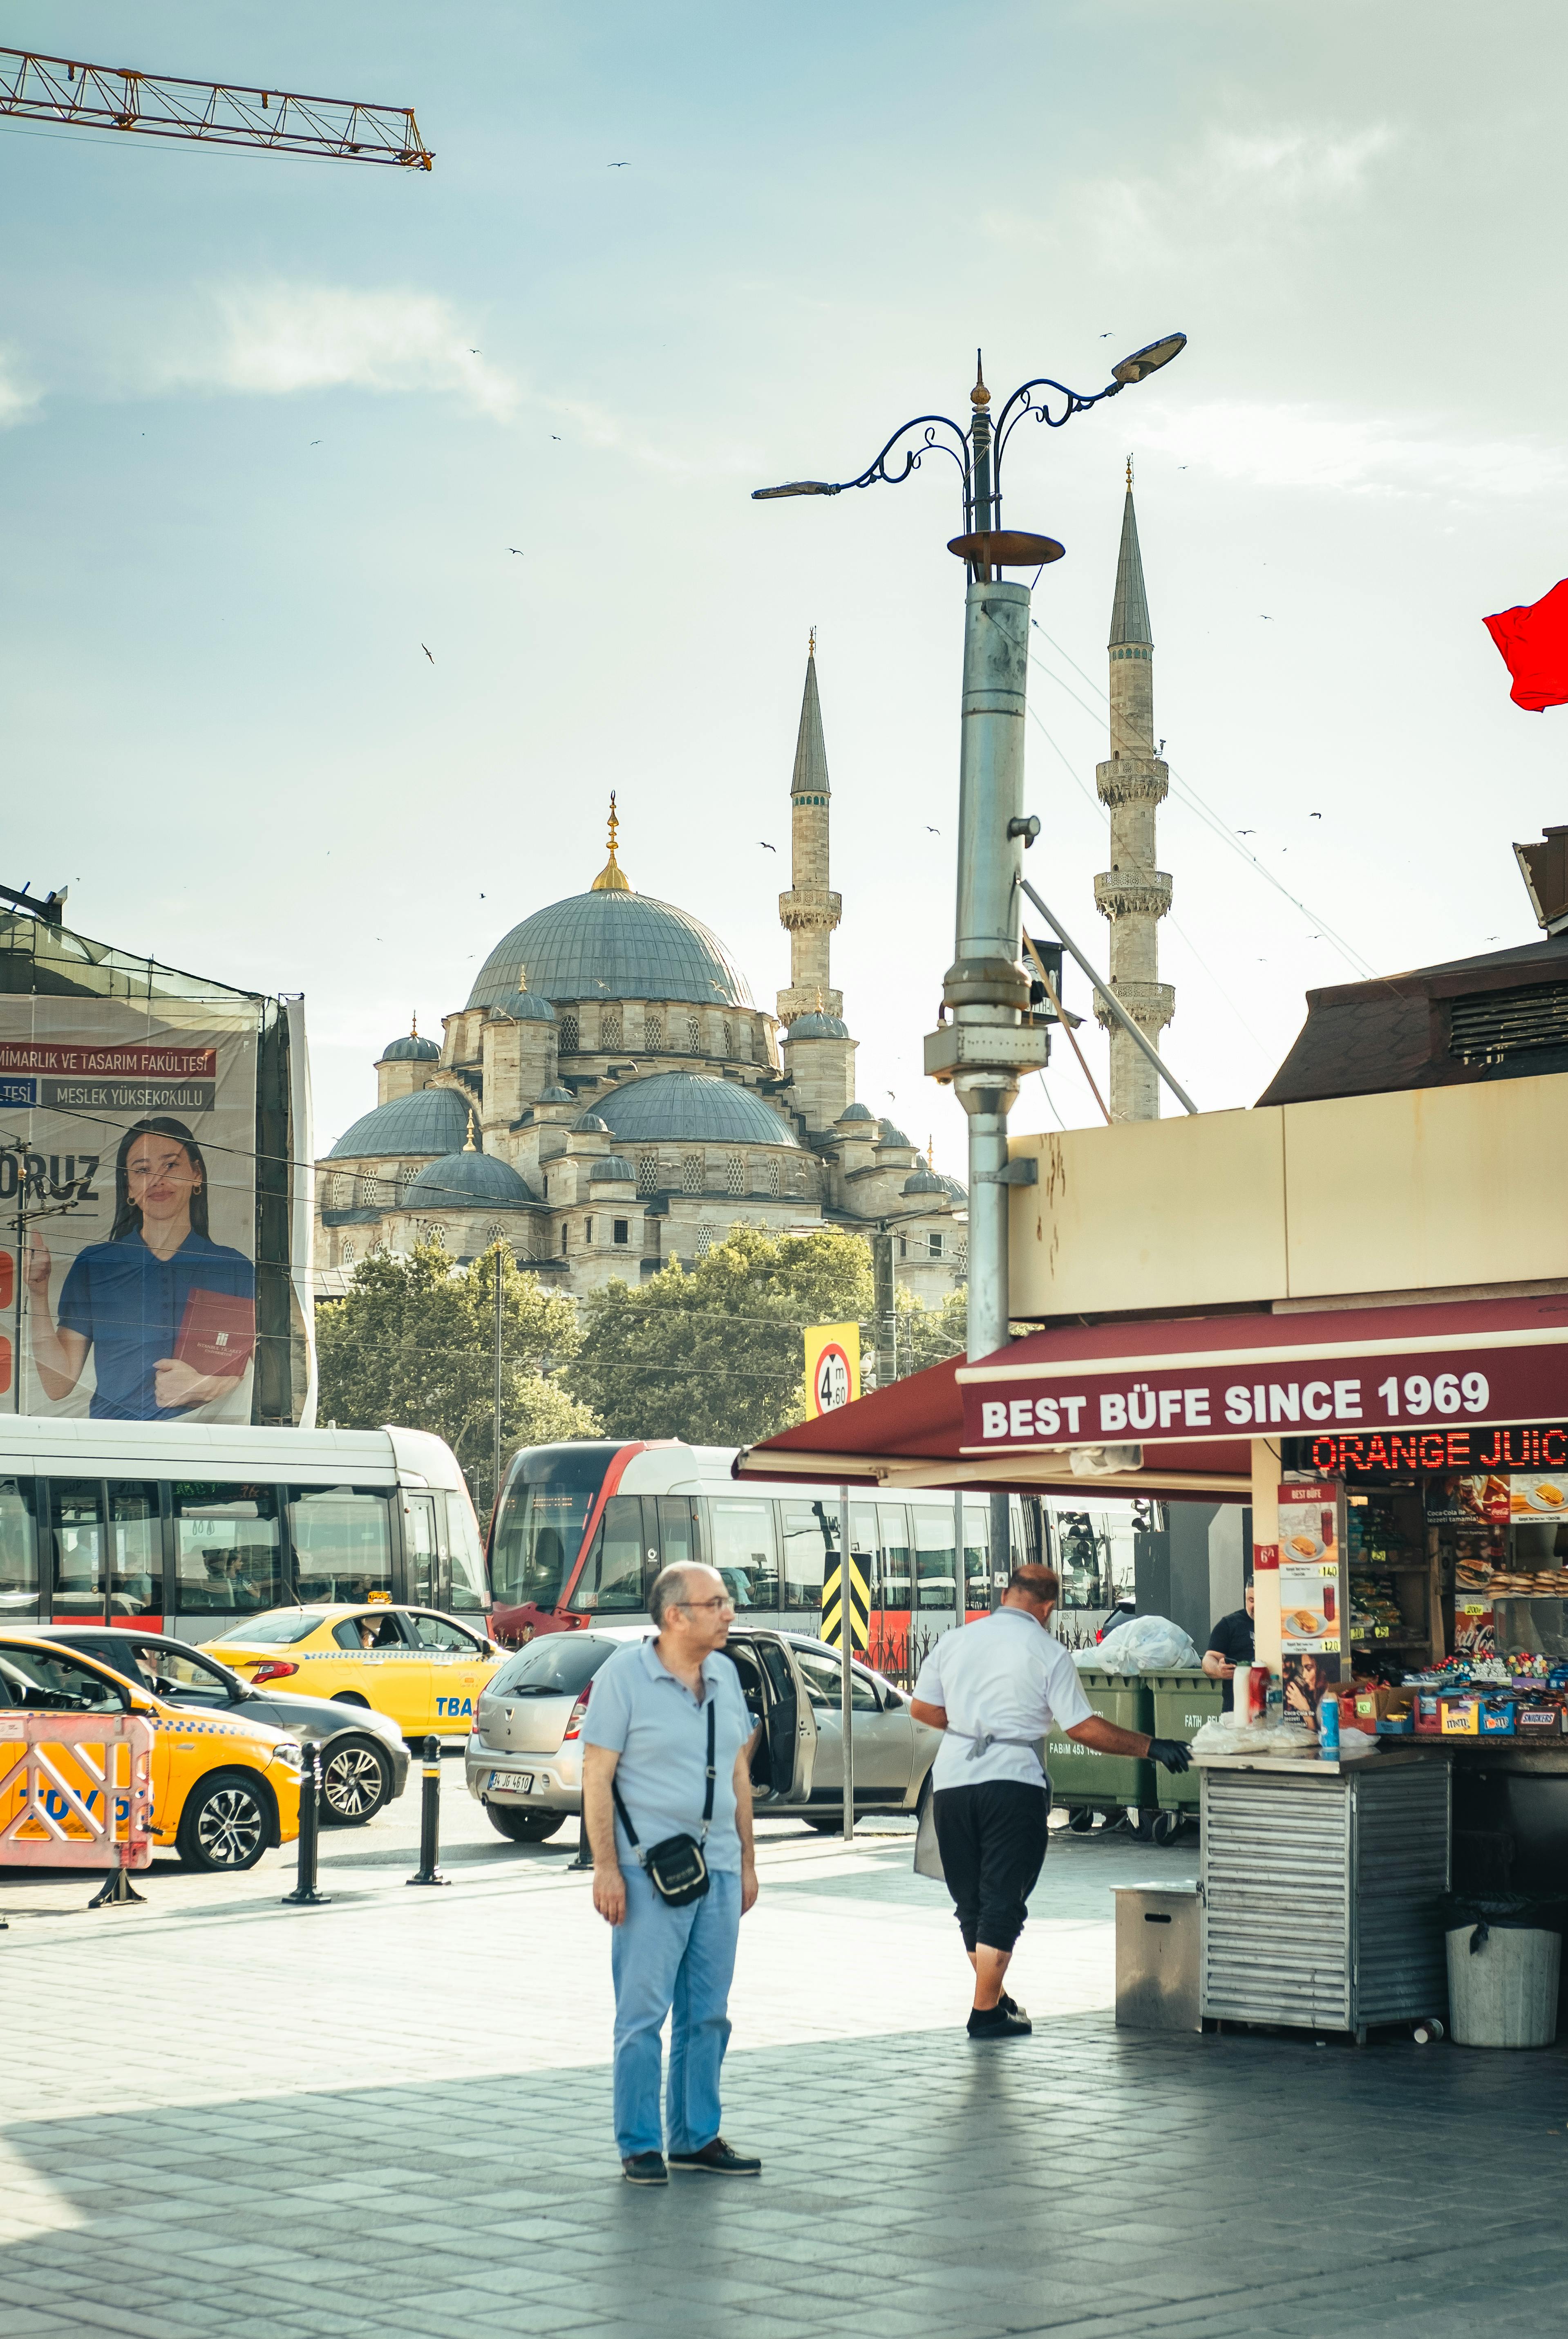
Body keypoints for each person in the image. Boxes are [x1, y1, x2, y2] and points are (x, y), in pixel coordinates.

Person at [910, 1561, 1193, 2041]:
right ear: (1047, 1606)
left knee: (971, 1901)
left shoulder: (955, 1640)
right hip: (1013, 1782)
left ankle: (995, 1997)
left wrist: (972, 1730)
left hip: (953, 1781)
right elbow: (1082, 1727)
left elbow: (920, 1707)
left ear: (1007, 1594)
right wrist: (1152, 1746)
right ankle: (985, 2011)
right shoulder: (1048, 1651)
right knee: (1003, 1896)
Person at [582, 1561, 761, 2186]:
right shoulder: (622, 1677)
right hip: (644, 1872)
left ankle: (695, 2136)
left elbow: (739, 1773)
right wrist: (606, 1867)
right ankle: (639, 2143)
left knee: (708, 2012)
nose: (729, 1612)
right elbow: (596, 1777)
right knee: (641, 2017)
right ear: (675, 1614)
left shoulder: (728, 1675)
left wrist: (747, 1858)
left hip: (715, 1866)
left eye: (727, 1602)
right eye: (716, 1602)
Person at [26, 1117, 254, 1421]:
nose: (158, 1180)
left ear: (197, 1174)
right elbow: (58, 1384)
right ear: (129, 1189)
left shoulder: (232, 1268)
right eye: (142, 1170)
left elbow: (257, 1375)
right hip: (113, 1449)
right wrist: (38, 1293)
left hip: (203, 1450)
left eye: (171, 1165)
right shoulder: (96, 1264)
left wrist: (206, 1387)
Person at [1203, 1578, 1256, 1711]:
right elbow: (1209, 1658)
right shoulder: (1229, 1624)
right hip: (1237, 1710)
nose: (1255, 1606)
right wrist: (1218, 1670)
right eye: (1251, 1600)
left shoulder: (1281, 1622)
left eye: (1260, 1600)